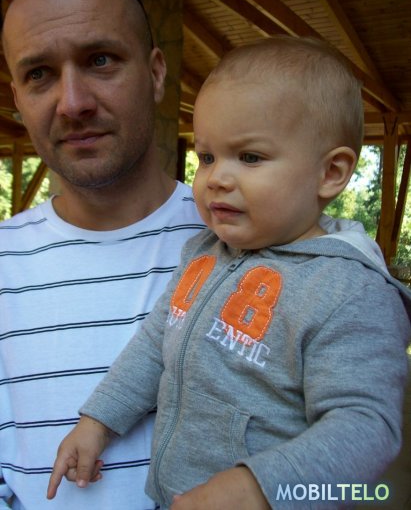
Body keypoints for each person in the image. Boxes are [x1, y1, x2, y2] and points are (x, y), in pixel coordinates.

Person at [47, 36, 411, 509]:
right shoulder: (203, 254)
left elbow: (366, 427)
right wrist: (97, 422)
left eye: (250, 157)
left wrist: (262, 487)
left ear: (331, 173)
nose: (216, 177)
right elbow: (155, 345)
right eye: (207, 157)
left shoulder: (349, 291)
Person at [0, 0, 204, 509]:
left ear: (156, 73)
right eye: (39, 74)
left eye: (100, 60)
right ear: (18, 98)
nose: (73, 102)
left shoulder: (249, 244)